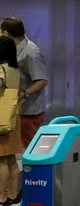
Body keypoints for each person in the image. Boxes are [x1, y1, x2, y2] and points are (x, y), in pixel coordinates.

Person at [0, 18, 48, 149]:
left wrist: (24, 94)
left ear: (5, 33)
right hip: (15, 111)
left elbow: (42, 80)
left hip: (29, 114)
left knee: (29, 151)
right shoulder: (12, 48)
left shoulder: (31, 52)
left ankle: (31, 170)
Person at [0, 35, 24, 206]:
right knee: (12, 161)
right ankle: (14, 196)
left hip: (1, 120)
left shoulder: (1, 70)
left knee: (1, 161)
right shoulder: (15, 70)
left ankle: (2, 198)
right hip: (14, 119)